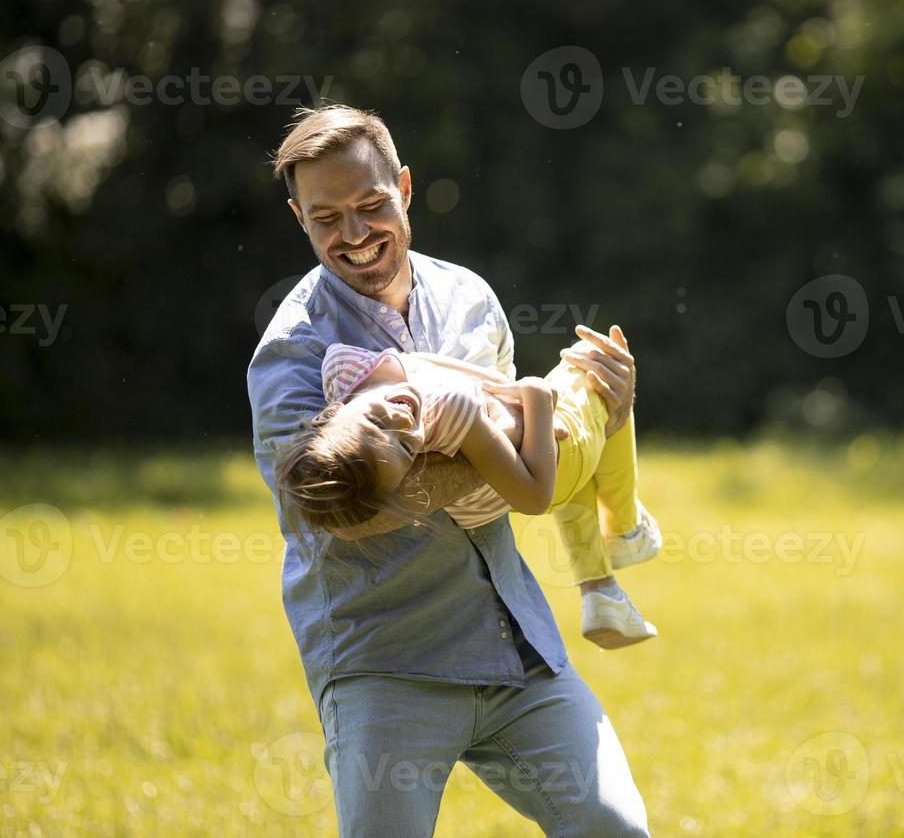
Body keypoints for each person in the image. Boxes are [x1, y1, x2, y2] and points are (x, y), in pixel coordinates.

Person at [247, 103, 650, 836]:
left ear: (404, 187)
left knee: (613, 828)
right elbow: (324, 508)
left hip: (513, 644)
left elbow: (529, 444)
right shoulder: (294, 354)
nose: (356, 234)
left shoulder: (470, 298)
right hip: (384, 664)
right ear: (298, 219)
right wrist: (470, 461)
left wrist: (600, 416)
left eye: (371, 206)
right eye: (326, 218)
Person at [275, 336, 662, 647]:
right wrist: (536, 397)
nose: (403, 420)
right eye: (407, 448)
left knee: (593, 425)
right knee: (593, 364)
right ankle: (627, 527)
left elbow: (429, 365)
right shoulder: (449, 411)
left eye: (377, 422)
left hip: (545, 460)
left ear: (331, 413)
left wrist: (503, 390)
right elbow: (534, 496)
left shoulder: (342, 367)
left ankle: (602, 593)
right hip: (552, 465)